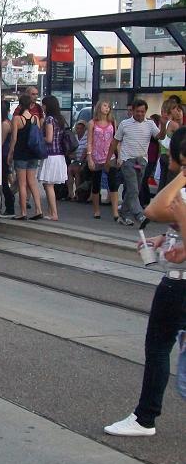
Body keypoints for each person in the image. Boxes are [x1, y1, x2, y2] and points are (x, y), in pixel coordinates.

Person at [104, 126, 186, 438]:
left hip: (178, 285)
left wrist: (183, 175)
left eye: (173, 156)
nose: (168, 161)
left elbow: (154, 208)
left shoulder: (182, 189)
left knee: (158, 348)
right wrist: (165, 237)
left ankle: (145, 417)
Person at [106, 99, 161, 228]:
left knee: (133, 190)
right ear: (133, 111)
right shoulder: (125, 124)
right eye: (137, 111)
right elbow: (114, 142)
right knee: (133, 189)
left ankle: (123, 214)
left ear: (145, 111)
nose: (140, 114)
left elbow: (160, 137)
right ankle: (139, 215)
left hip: (142, 160)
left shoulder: (150, 124)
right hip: (127, 160)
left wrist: (163, 125)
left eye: (142, 111)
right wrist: (108, 160)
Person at [7, 94, 44, 220]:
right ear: (31, 105)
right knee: (32, 182)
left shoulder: (17, 119)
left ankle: (23, 212)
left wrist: (10, 153)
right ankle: (38, 209)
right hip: (33, 154)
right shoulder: (35, 118)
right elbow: (37, 137)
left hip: (21, 154)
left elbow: (14, 138)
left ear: (20, 105)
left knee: (22, 184)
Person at [87, 101, 120, 221]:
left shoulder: (112, 122)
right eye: (105, 105)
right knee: (96, 184)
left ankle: (115, 212)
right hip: (96, 156)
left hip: (109, 156)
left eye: (108, 106)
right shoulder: (92, 123)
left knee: (113, 184)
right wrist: (89, 157)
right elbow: (89, 141)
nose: (107, 108)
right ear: (99, 107)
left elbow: (116, 140)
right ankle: (96, 210)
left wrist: (119, 155)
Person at [37, 96, 68, 221]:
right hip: (59, 155)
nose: (42, 107)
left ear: (47, 106)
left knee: (48, 185)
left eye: (43, 105)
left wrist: (39, 138)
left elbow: (49, 139)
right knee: (50, 185)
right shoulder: (60, 119)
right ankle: (50, 212)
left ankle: (54, 213)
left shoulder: (49, 119)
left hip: (51, 155)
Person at [0, 97, 15, 217]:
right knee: (4, 181)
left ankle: (10, 206)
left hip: (3, 155)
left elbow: (1, 141)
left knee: (4, 182)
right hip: (5, 154)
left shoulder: (4, 124)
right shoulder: (7, 122)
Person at [67, 120, 88, 201]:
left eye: (81, 128)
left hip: (83, 160)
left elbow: (85, 151)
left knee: (76, 170)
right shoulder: (74, 137)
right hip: (75, 160)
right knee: (69, 169)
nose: (79, 130)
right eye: (78, 128)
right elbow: (70, 152)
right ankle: (70, 193)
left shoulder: (86, 138)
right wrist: (72, 156)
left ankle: (78, 193)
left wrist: (80, 162)